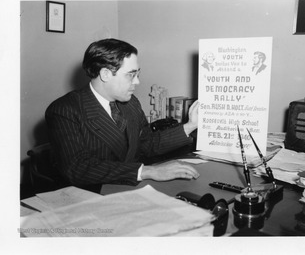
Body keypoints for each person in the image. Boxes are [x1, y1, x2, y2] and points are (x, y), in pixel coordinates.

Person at [45, 38, 200, 188]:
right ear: (105, 74)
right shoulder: (64, 110)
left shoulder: (131, 103)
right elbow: (77, 168)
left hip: (129, 188)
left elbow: (147, 144)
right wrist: (148, 171)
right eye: (130, 75)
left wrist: (190, 126)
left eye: (137, 74)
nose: (137, 82)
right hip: (92, 194)